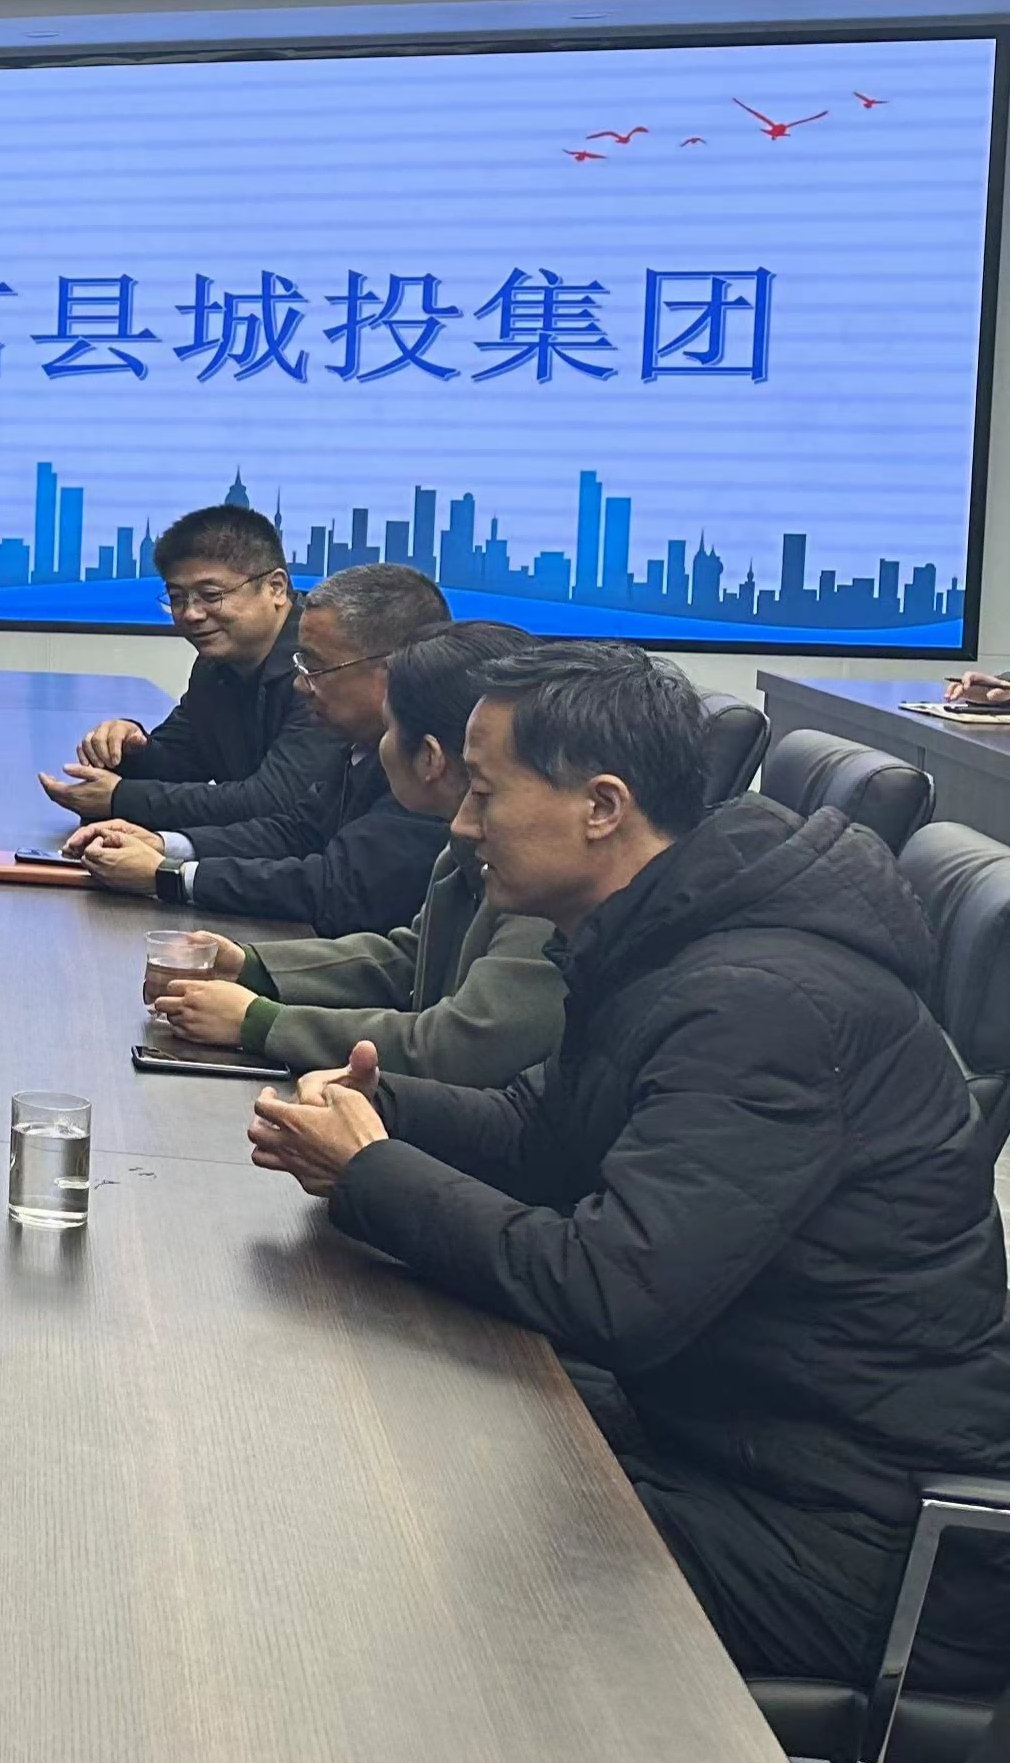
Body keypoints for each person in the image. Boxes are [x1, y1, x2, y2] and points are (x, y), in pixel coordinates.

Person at [248, 641, 1010, 1692]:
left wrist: (371, 1172)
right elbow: (544, 1132)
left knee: (378, 1549)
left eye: (485, 793)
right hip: (724, 1446)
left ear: (602, 806)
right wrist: (384, 1108)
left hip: (853, 1542)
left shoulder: (763, 1002)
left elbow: (613, 1291)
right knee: (368, 1454)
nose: (462, 825)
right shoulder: (673, 931)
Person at [149, 619, 564, 1084]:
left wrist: (262, 1022)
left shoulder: (545, 883)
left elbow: (464, 1043)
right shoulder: (465, 850)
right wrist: (252, 966)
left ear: (429, 757)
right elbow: (410, 960)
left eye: (388, 728)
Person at [67, 563, 450, 936]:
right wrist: (166, 845)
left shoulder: (434, 766)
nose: (300, 685)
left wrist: (170, 875)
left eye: (316, 668)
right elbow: (295, 832)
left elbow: (336, 887)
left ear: (390, 671)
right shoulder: (362, 743)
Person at [41, 502, 335, 827]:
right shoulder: (215, 664)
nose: (191, 614)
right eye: (177, 598)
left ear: (275, 588)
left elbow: (275, 801)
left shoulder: (323, 665)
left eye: (210, 595)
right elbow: (180, 762)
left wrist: (121, 798)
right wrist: (132, 746)